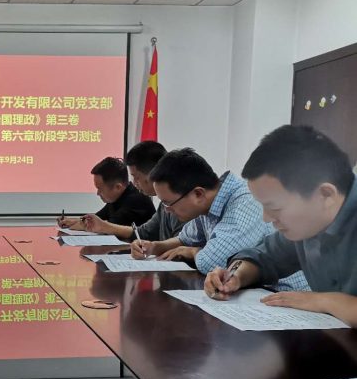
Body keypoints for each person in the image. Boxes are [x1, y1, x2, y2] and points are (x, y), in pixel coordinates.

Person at [204, 125, 357, 326]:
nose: (266, 218)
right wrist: (235, 276)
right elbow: (265, 257)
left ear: (325, 195)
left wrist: (324, 301)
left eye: (275, 208)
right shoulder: (308, 225)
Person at [132, 148, 309, 291]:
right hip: (252, 291)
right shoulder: (207, 205)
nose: (167, 210)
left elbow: (211, 261)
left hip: (286, 296)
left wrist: (193, 252)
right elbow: (185, 239)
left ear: (198, 194)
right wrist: (154, 246)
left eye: (168, 203)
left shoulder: (245, 202)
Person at [83, 142, 183, 242]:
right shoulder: (164, 204)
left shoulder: (180, 205)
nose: (134, 183)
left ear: (154, 174)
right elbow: (143, 232)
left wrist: (155, 247)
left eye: (136, 177)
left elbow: (181, 244)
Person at [58, 157, 155, 231]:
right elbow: (97, 218)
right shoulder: (117, 198)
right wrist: (73, 221)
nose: (98, 193)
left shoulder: (136, 201)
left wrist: (80, 225)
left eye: (100, 189)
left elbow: (105, 226)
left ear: (118, 187)